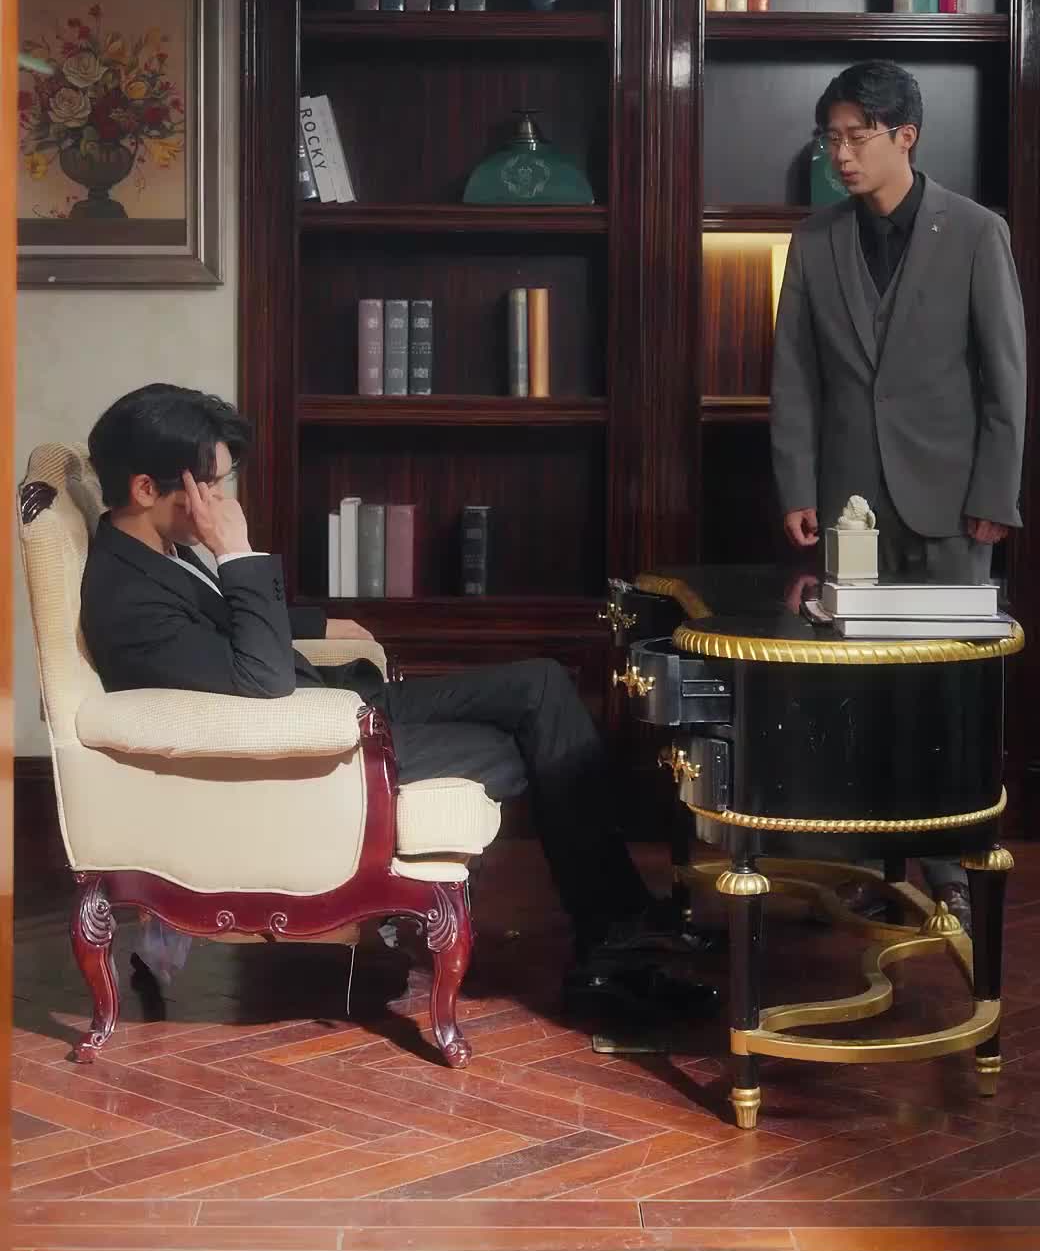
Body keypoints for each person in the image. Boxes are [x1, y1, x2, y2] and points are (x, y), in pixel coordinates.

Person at [80, 382, 715, 1021]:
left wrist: (319, 622)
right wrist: (236, 553)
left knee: (543, 684)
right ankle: (614, 947)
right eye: (210, 486)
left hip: (342, 702)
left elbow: (220, 625)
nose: (220, 503)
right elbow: (262, 680)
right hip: (319, 744)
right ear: (145, 489)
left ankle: (620, 925)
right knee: (526, 747)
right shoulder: (127, 601)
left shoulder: (153, 551)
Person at [770, 61, 1027, 928]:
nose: (841, 154)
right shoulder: (814, 242)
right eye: (831, 138)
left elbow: (1005, 378)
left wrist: (996, 492)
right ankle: (862, 860)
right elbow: (795, 377)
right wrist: (797, 484)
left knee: (944, 691)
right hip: (849, 506)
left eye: (857, 136)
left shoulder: (977, 232)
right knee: (853, 692)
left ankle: (948, 865)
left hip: (955, 505)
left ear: (904, 136)